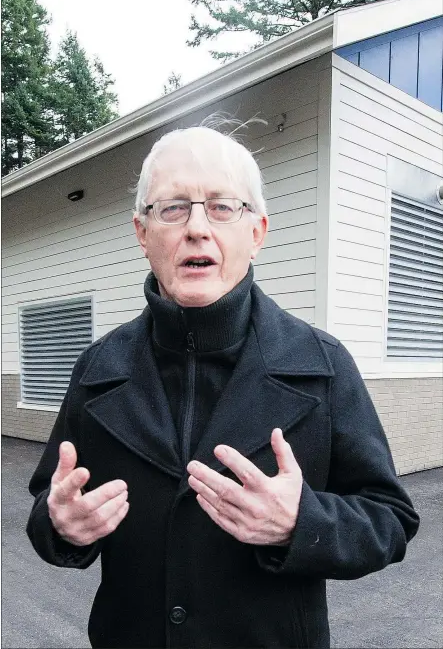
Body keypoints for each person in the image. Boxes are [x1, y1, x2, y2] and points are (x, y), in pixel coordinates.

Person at [27, 124, 419, 649]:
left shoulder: (322, 366)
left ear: (256, 232)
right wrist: (59, 526)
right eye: (172, 207)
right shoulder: (97, 369)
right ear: (142, 234)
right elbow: (46, 503)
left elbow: (389, 520)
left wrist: (300, 521)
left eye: (221, 207)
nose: (196, 228)